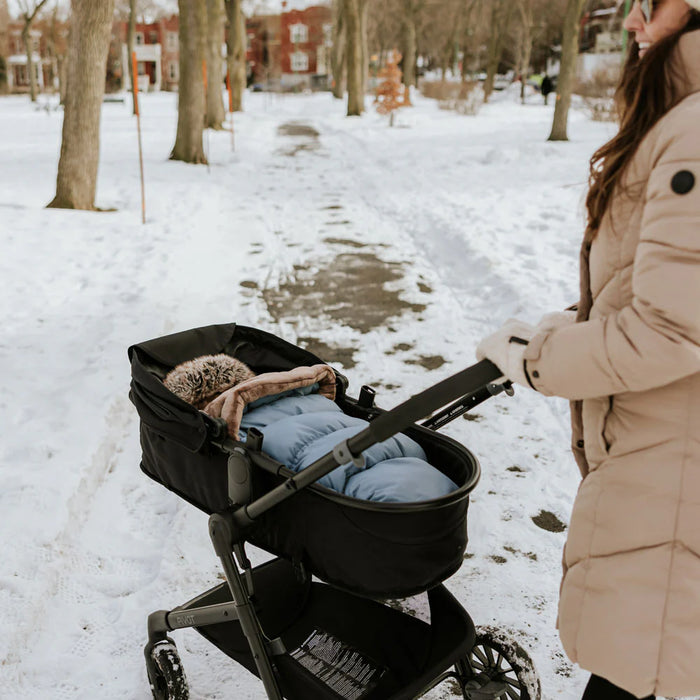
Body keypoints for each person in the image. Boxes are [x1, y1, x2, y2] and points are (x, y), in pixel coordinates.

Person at [475, 1, 700, 699]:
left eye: (651, 2)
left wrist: (537, 358)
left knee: (639, 675)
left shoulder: (695, 131)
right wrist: (566, 325)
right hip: (668, 464)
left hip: (673, 475)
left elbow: (673, 331)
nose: (632, 19)